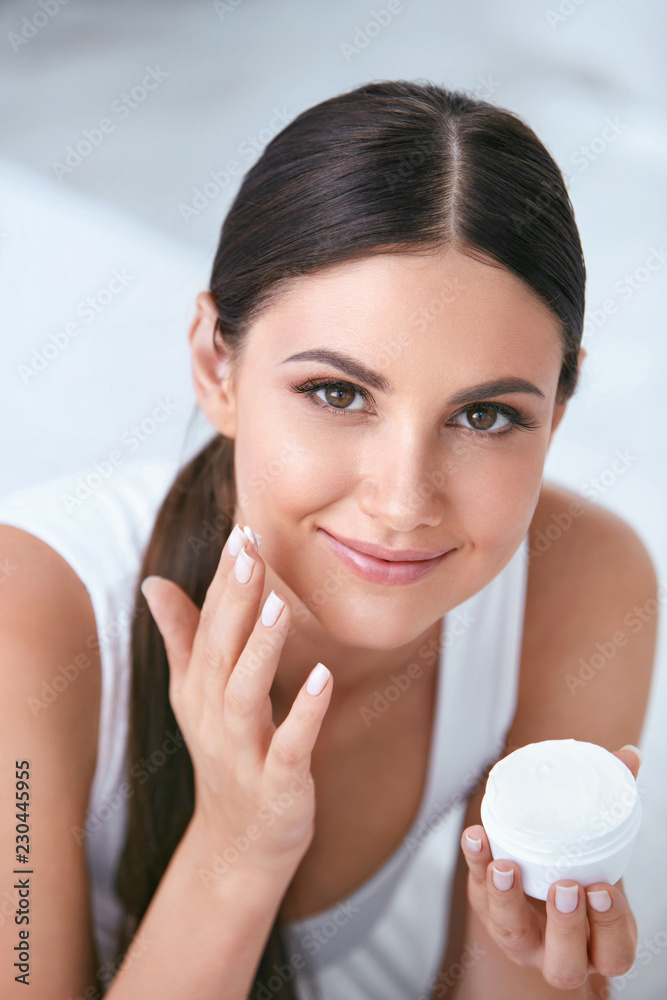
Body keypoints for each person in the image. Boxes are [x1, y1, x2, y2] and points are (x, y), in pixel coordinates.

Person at [0, 80, 658, 1000]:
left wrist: (528, 952)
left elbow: (518, 975)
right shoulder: (26, 624)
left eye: (484, 414)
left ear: (560, 402)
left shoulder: (584, 585)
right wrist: (236, 846)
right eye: (338, 393)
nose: (401, 504)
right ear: (213, 365)